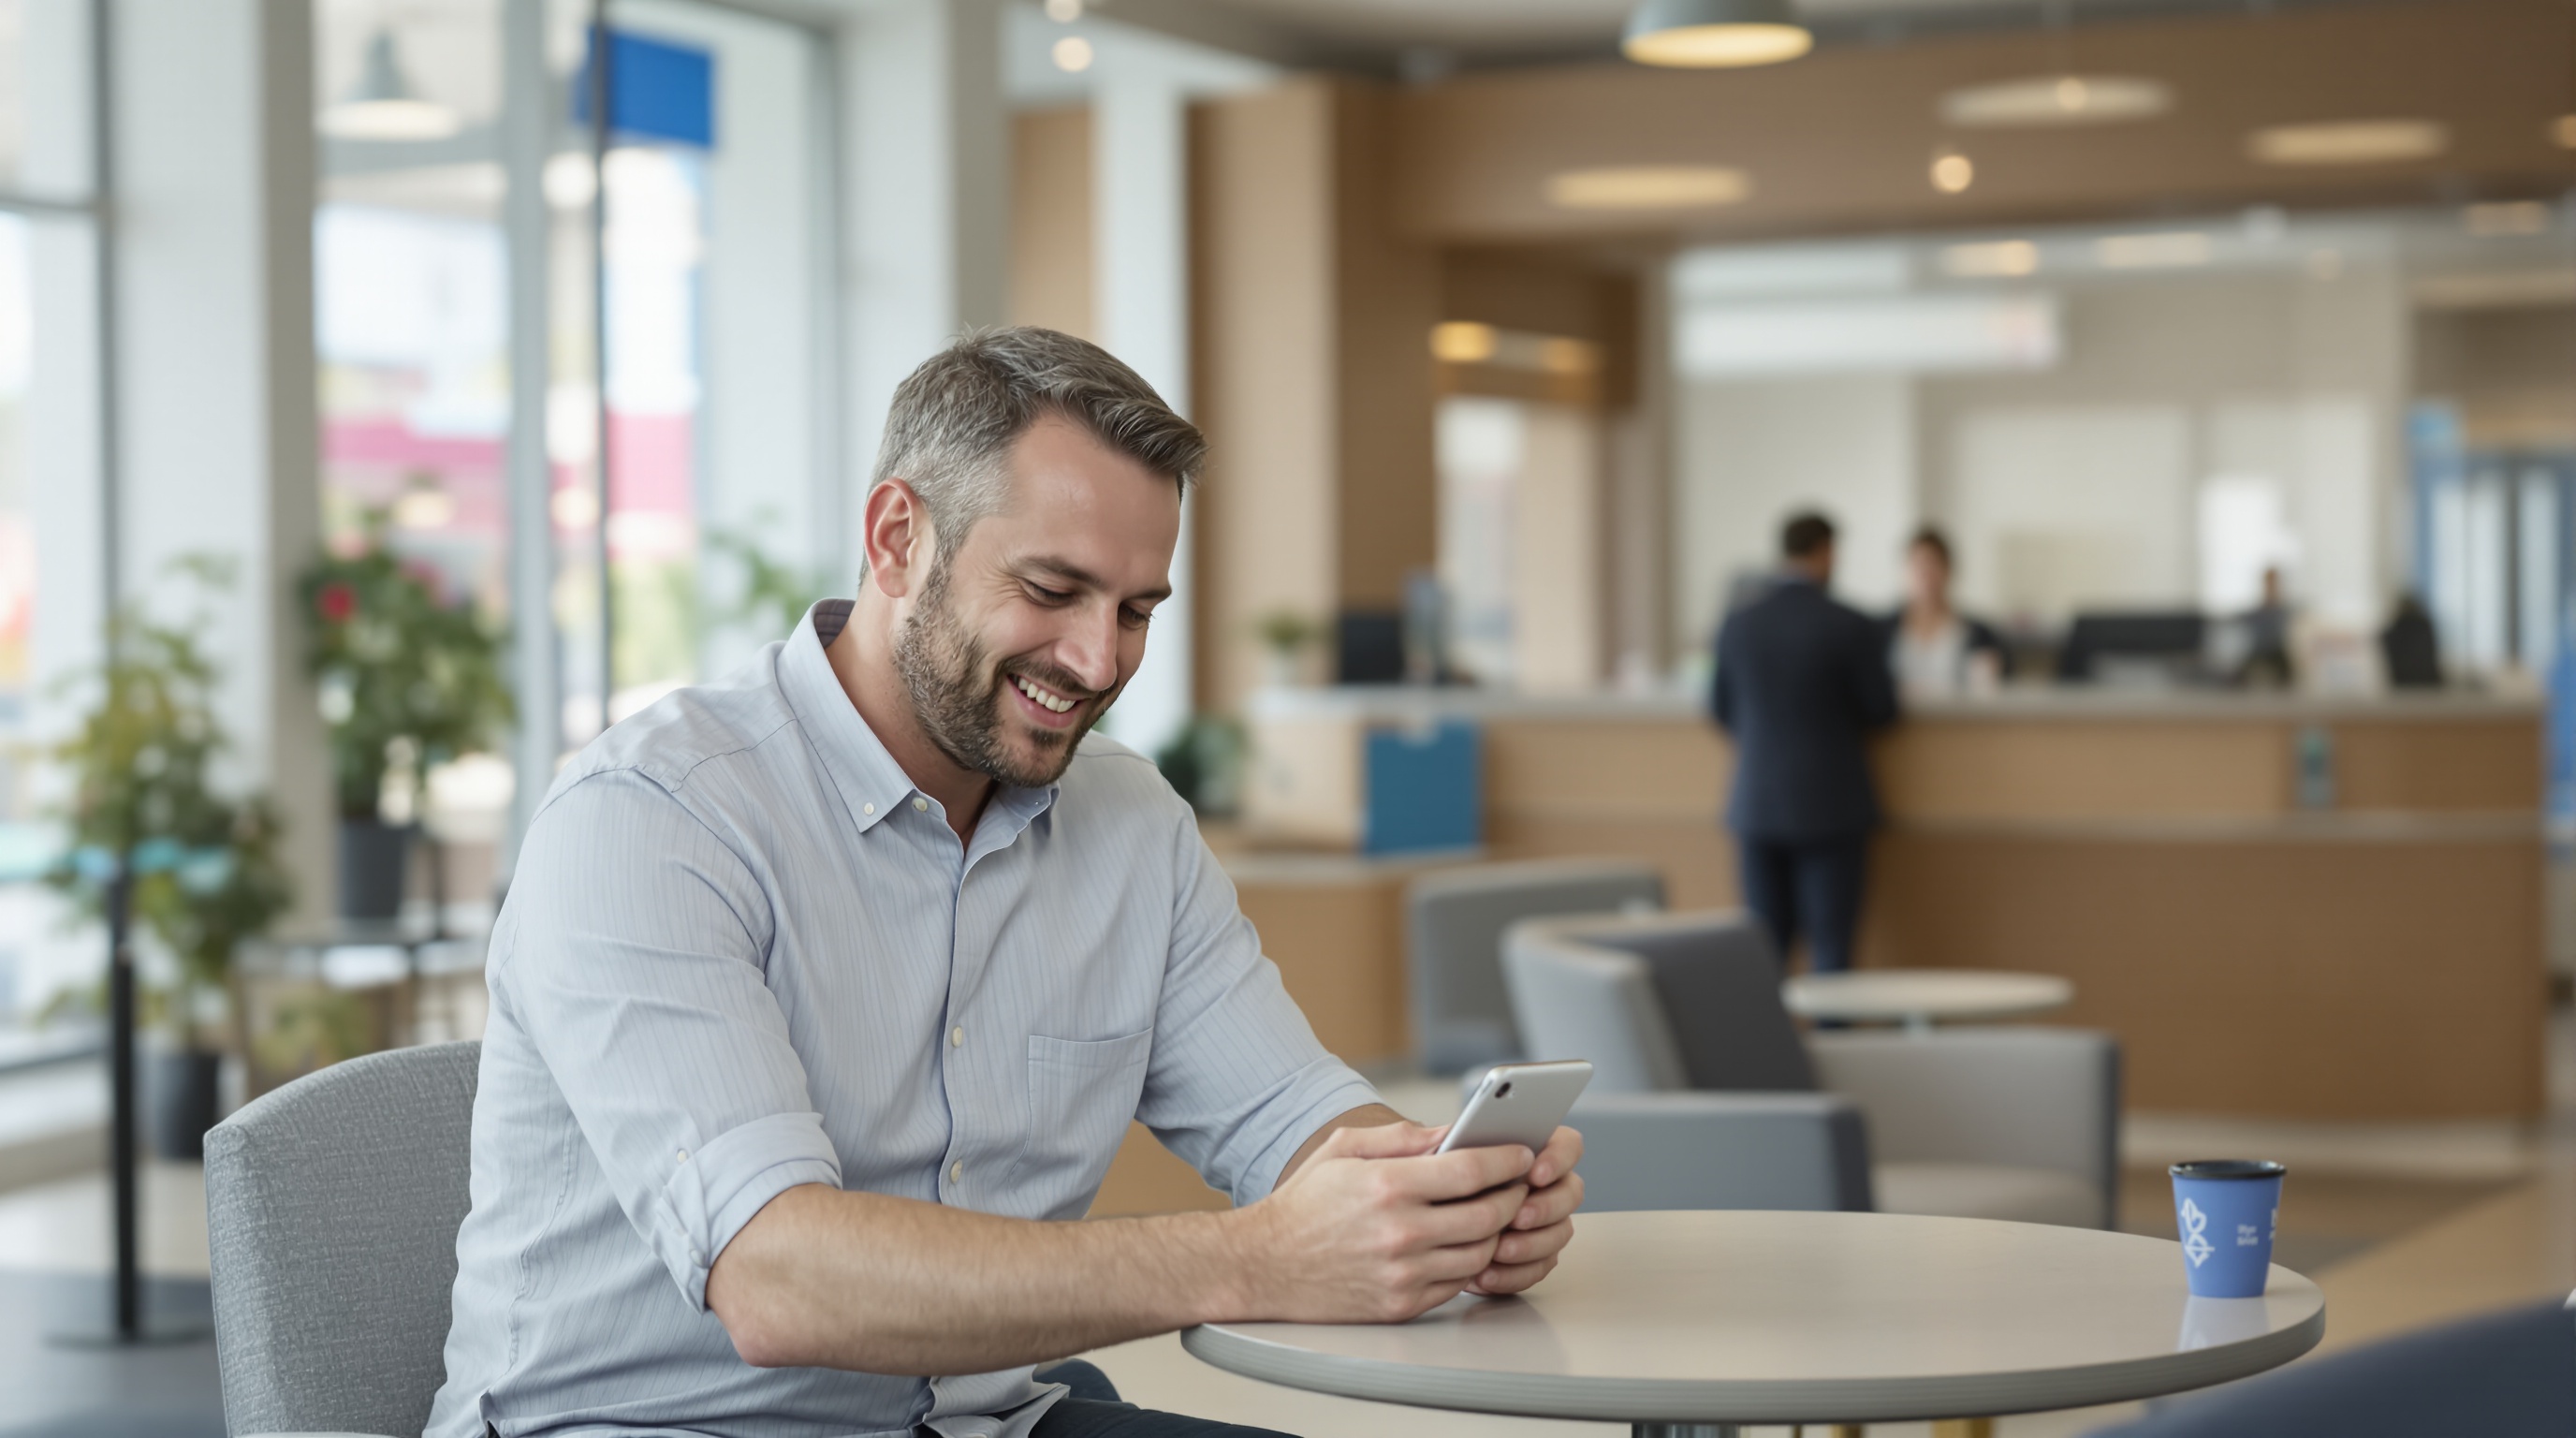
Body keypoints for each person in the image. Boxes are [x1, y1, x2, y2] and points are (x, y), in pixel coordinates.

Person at [425, 329, 1584, 1438]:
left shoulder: (1129, 826)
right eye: (1052, 588)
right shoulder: (653, 818)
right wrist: (1257, 1258)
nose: (1098, 662)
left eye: (1135, 611)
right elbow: (780, 1280)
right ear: (896, 541)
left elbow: (1294, 1122)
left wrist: (1442, 1197)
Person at [1710, 511, 1898, 976]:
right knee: (1832, 951)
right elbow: (1883, 709)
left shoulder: (1739, 623)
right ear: (1826, 551)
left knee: (1764, 953)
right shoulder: (1850, 624)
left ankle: (1767, 1050)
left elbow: (1718, 708)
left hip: (1758, 803)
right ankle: (1834, 1047)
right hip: (1831, 805)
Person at [1883, 524, 2012, 702]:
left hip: (1958, 725)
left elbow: (1996, 691)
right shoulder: (1880, 631)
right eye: (1918, 565)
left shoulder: (1980, 634)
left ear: (1949, 569)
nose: (1926, 575)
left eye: (1934, 565)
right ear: (1906, 569)